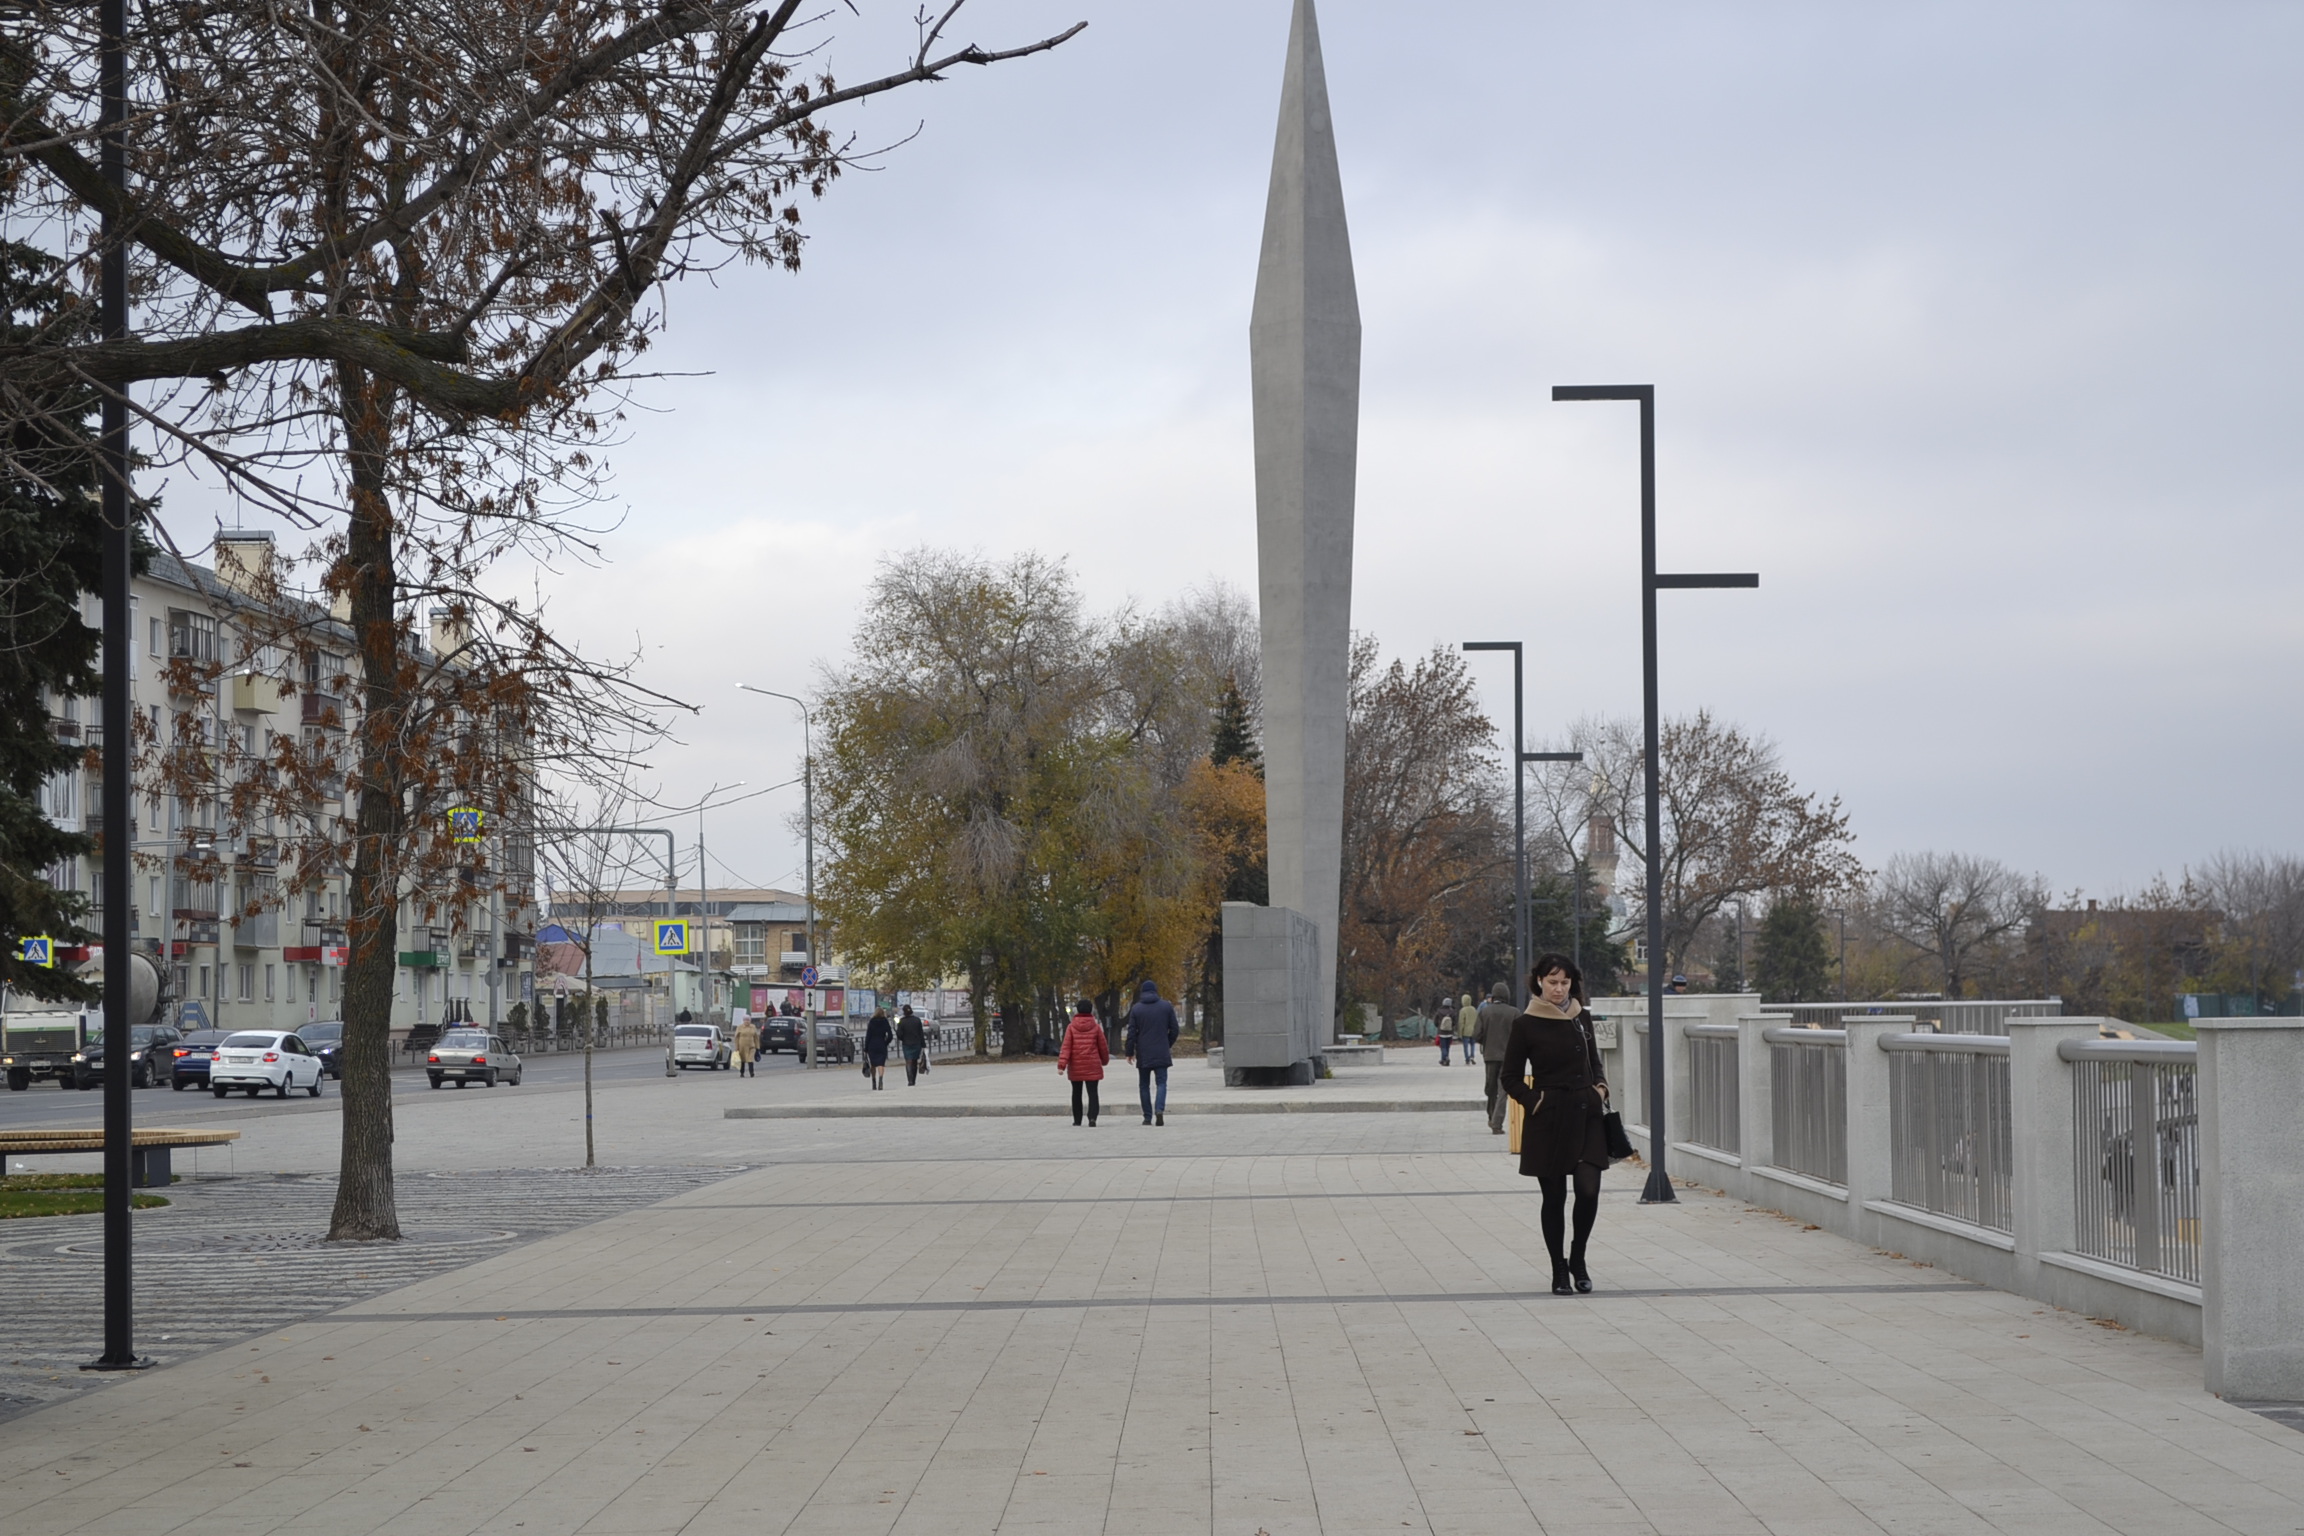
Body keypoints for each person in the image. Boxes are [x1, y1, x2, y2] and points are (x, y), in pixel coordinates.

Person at [1499, 954, 1611, 1296]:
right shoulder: (1526, 1023)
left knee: (1589, 1189)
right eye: (1552, 982)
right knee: (1555, 1196)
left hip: (1586, 1111)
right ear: (1539, 982)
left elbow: (1595, 1063)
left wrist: (1601, 1090)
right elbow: (1510, 1077)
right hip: (1549, 1117)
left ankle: (1578, 1258)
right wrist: (1536, 1102)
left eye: (1564, 983)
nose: (1559, 989)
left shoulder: (1582, 1018)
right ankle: (1558, 1268)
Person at [1124, 978, 1180, 1126]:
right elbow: (1175, 1029)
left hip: (1144, 1052)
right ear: (1155, 991)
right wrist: (1167, 1043)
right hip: (1161, 1050)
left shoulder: (1136, 1008)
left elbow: (1131, 1033)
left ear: (1142, 992)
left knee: (1144, 1085)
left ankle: (1147, 1117)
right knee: (1161, 1083)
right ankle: (1159, 1109)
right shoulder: (1166, 1007)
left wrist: (1129, 1051)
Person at [1057, 998, 1108, 1126]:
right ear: (1091, 1010)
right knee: (1093, 1092)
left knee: (1076, 1093)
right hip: (1092, 1065)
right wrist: (1105, 1060)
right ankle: (1092, 1118)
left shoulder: (1071, 1027)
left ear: (1077, 1011)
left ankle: (1077, 1119)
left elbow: (1066, 1047)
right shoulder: (1096, 1027)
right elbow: (1103, 1046)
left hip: (1076, 1065)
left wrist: (1062, 1065)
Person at [1475, 982, 1517, 1133]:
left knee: (1491, 1088)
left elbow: (1476, 1034)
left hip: (1490, 1056)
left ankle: (1491, 1116)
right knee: (1503, 1090)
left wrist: (1487, 1042)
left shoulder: (1484, 1012)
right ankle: (1497, 1123)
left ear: (1493, 996)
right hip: (1509, 1057)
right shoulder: (1514, 1013)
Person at [863, 1008, 893, 1090]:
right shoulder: (885, 1021)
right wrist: (885, 1043)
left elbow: (868, 1036)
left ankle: (873, 1081)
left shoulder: (872, 1022)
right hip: (881, 1044)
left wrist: (866, 1048)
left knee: (873, 1064)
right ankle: (880, 1080)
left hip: (872, 1045)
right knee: (881, 1064)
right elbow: (890, 1035)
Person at [897, 1004, 927, 1086]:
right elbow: (921, 1033)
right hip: (916, 1043)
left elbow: (899, 1034)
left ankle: (910, 1080)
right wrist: (923, 1044)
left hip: (906, 1044)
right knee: (914, 1061)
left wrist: (903, 1038)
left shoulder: (901, 1021)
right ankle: (913, 1079)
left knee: (908, 1061)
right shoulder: (917, 1020)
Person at [733, 1013, 760, 1078]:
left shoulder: (753, 1027)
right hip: (742, 1047)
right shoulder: (739, 1027)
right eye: (745, 1020)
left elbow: (756, 1038)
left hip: (751, 1046)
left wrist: (757, 1047)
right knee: (742, 1060)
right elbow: (736, 1038)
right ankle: (742, 1073)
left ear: (750, 1021)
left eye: (748, 1020)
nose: (746, 1021)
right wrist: (736, 1047)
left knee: (750, 1059)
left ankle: (752, 1073)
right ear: (743, 1020)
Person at [1457, 993, 1480, 1065]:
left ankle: (1467, 1059)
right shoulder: (1474, 1009)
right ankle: (1472, 1056)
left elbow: (1461, 1023)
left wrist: (1460, 1033)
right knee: (1472, 1044)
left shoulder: (1463, 1010)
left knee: (1465, 1046)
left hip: (1466, 1031)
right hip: (1473, 1030)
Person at [1435, 999, 1457, 1065]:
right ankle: (1444, 1060)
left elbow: (1435, 1021)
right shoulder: (1452, 1012)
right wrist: (1451, 1027)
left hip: (1441, 1032)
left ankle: (1445, 1058)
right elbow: (1455, 1022)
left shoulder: (1439, 1011)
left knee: (1443, 1046)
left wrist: (1438, 1026)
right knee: (1447, 1046)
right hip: (1449, 1032)